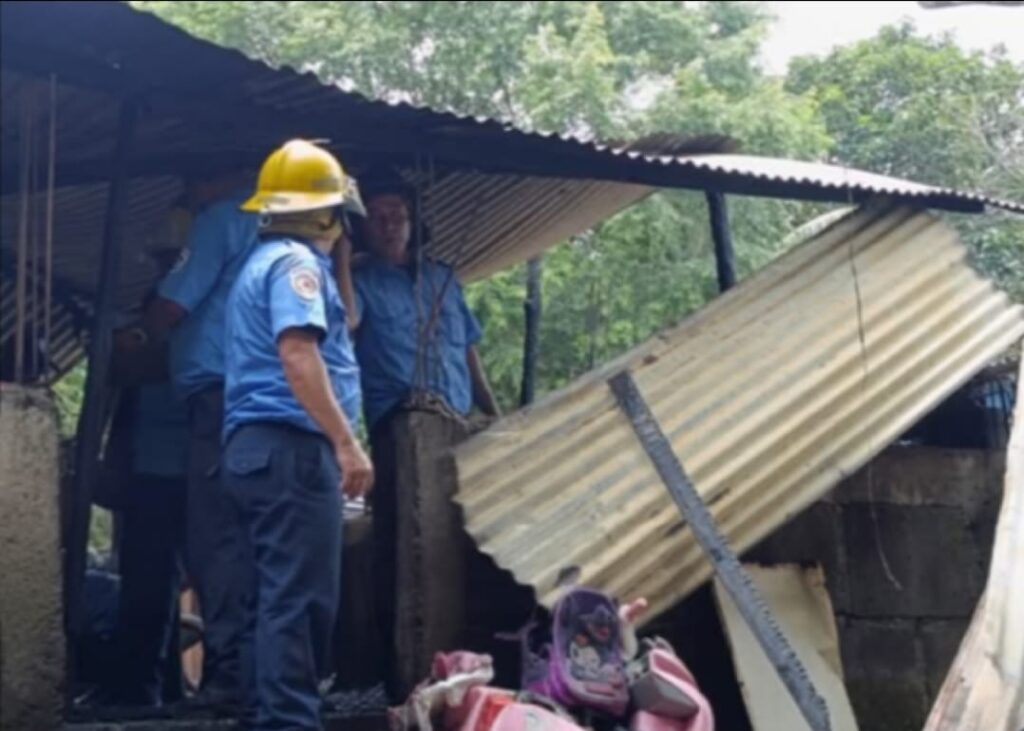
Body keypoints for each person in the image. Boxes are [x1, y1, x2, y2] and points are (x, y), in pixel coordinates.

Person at [221, 139, 373, 730]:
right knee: (301, 602)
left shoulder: (256, 266)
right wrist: (345, 440)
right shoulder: (295, 266)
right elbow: (299, 354)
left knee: (270, 599)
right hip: (290, 451)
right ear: (327, 214)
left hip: (250, 451)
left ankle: (266, 718)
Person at [348, 167, 500, 697]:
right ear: (364, 227)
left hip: (456, 430)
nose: (390, 226)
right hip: (398, 434)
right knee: (401, 545)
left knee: (464, 543)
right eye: (380, 218)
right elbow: (343, 327)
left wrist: (495, 413)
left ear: (414, 224)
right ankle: (395, 673)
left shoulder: (443, 279)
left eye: (399, 217)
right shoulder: (361, 283)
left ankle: (461, 661)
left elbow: (468, 350)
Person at [142, 171, 260, 704]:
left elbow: (172, 307)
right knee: (258, 539)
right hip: (262, 401)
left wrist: (147, 335)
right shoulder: (286, 233)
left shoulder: (221, 220)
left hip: (217, 394)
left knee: (216, 539)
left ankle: (226, 675)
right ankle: (261, 670)